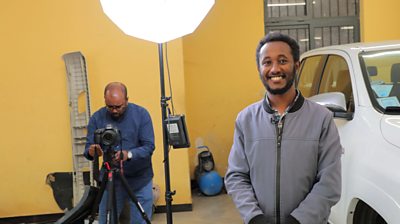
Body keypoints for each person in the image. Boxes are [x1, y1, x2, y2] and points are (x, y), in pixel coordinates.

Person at [224, 32, 342, 224]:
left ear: (296, 66)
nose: (274, 69)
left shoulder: (321, 119)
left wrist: (298, 220)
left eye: (282, 60)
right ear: (259, 68)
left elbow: (330, 183)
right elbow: (236, 176)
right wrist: (254, 217)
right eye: (267, 62)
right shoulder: (245, 119)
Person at [84, 82, 155, 224]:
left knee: (140, 222)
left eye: (118, 106)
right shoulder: (97, 118)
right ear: (105, 100)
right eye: (110, 107)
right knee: (106, 221)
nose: (114, 111)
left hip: (140, 180)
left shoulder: (141, 115)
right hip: (111, 182)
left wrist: (128, 155)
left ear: (126, 100)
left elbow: (149, 146)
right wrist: (92, 151)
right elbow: (87, 150)